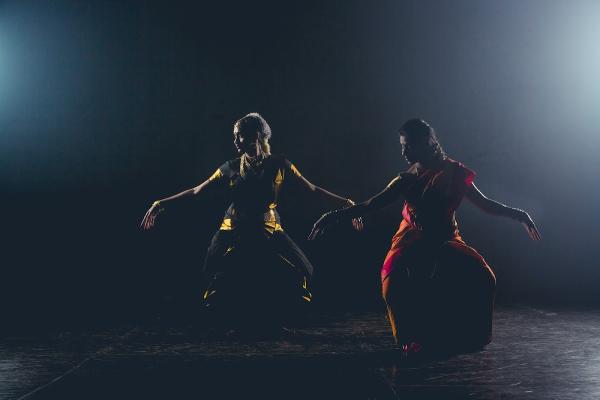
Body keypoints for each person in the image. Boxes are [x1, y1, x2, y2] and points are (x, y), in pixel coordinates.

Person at [309, 118, 540, 353]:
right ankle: (408, 341)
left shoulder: (454, 173)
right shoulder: (406, 179)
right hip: (410, 236)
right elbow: (371, 204)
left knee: (484, 277)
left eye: (407, 146)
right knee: (391, 283)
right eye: (401, 146)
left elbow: (485, 204)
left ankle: (472, 337)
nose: (403, 152)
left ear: (425, 143)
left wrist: (518, 214)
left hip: (444, 235)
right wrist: (336, 215)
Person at [141, 112, 362, 332]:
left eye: (239, 136)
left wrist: (348, 203)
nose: (235, 141)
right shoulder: (229, 167)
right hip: (233, 228)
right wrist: (161, 203)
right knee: (212, 271)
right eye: (235, 137)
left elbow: (312, 188)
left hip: (269, 227)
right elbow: (197, 190)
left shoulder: (279, 164)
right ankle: (227, 321)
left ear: (255, 136)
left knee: (304, 269)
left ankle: (276, 320)